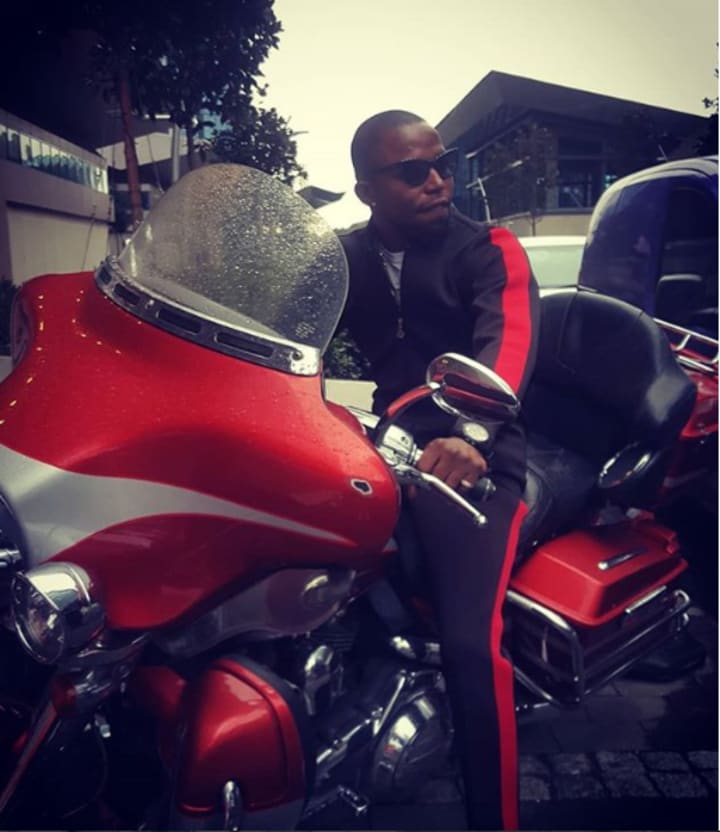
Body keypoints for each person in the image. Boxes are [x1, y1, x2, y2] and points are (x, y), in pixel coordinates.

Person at [338, 110, 540, 830]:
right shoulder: (344, 258)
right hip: (387, 440)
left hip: (477, 446)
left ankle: (494, 818)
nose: (437, 182)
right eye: (413, 171)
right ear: (367, 191)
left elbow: (508, 342)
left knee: (468, 643)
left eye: (442, 165)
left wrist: (474, 434)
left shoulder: (486, 248)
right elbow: (279, 325)